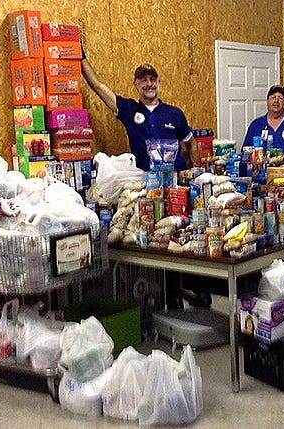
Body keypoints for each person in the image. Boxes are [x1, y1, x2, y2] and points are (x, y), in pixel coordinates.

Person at [82, 52, 204, 308]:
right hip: (149, 188)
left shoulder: (174, 114)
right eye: (143, 80)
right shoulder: (129, 110)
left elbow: (191, 144)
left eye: (152, 79)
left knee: (184, 239)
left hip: (178, 188)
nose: (149, 84)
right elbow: (99, 87)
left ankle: (196, 290)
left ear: (158, 82)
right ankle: (171, 299)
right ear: (136, 85)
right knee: (160, 243)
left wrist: (197, 174)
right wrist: (81, 59)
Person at [242, 85, 284, 154]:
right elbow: (245, 152)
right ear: (267, 101)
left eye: (280, 98)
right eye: (273, 97)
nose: (276, 101)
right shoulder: (256, 125)